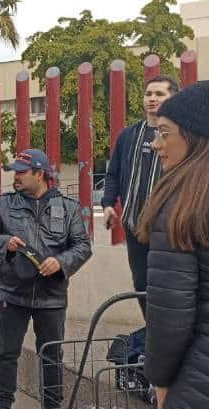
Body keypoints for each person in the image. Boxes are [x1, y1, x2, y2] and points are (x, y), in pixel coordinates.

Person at [0, 149, 92, 409]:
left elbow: (82, 246)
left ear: (40, 174)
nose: (15, 177)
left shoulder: (69, 208)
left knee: (52, 357)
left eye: (21, 172)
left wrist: (61, 262)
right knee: (6, 355)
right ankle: (1, 405)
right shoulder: (3, 205)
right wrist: (5, 243)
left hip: (51, 298)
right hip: (12, 294)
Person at [136, 81, 209, 409]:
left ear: (193, 135)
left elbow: (170, 312)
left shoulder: (183, 204)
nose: (155, 144)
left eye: (164, 132)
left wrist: (161, 381)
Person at [101, 75, 179, 316]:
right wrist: (107, 204)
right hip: (135, 228)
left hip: (169, 229)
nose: (152, 99)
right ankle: (152, 334)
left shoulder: (182, 136)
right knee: (142, 286)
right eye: (149, 94)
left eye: (160, 94)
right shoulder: (128, 135)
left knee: (171, 288)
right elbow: (113, 174)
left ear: (173, 98)